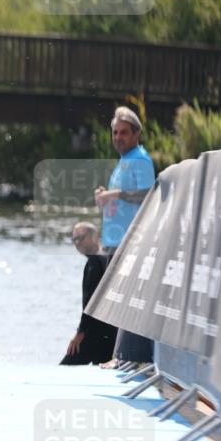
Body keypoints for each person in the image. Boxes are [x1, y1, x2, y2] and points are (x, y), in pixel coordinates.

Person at [95, 106, 156, 365]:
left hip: (131, 241)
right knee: (118, 298)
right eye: (115, 132)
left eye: (124, 132)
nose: (118, 137)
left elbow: (147, 194)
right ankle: (119, 356)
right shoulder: (125, 160)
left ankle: (124, 358)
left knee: (126, 297)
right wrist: (105, 196)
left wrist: (115, 194)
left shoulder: (140, 159)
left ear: (136, 134)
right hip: (114, 239)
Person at [60, 222, 117, 365]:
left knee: (64, 369)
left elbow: (91, 301)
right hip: (111, 332)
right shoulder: (107, 255)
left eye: (81, 238)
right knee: (102, 370)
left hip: (95, 332)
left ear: (94, 236)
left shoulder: (94, 261)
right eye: (74, 240)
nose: (77, 243)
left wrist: (80, 333)